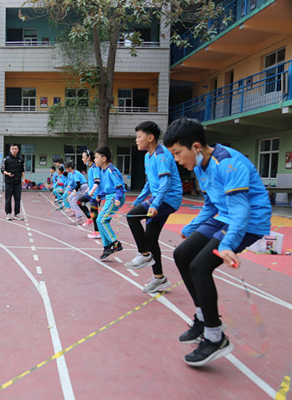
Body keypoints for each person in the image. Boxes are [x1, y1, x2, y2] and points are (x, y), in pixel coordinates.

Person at [164, 118, 271, 367]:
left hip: (247, 221)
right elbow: (212, 203)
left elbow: (241, 211)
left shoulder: (228, 164)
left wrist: (227, 245)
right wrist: (192, 227)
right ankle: (203, 317)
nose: (178, 160)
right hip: (224, 216)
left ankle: (215, 336)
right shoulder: (201, 166)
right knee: (182, 255)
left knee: (200, 267)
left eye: (178, 153)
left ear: (197, 147)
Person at [126, 121, 183, 294]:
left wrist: (155, 204)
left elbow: (166, 182)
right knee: (151, 238)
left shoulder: (162, 154)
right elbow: (150, 183)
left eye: (139, 137)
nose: (136, 140)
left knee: (132, 217)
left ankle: (144, 255)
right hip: (159, 198)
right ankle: (159, 278)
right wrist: (138, 201)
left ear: (150, 138)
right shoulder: (147, 157)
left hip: (168, 199)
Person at [94, 146, 125, 260]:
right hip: (109, 196)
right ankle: (107, 247)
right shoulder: (103, 170)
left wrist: (117, 197)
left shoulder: (112, 170)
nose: (95, 160)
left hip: (114, 197)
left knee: (101, 220)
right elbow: (108, 187)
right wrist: (100, 195)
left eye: (96, 157)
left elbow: (119, 186)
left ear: (104, 159)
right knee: (100, 220)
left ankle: (115, 243)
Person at [79, 149, 101, 239]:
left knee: (94, 212)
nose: (82, 159)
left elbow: (97, 181)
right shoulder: (91, 167)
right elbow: (92, 182)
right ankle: (89, 218)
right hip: (91, 192)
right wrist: (88, 189)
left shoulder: (95, 167)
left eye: (83, 157)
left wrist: (92, 191)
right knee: (79, 202)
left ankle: (97, 232)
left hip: (95, 195)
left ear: (88, 158)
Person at [1, 144, 25, 220]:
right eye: (12, 149)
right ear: (10, 150)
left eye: (15, 149)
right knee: (8, 198)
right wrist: (8, 173)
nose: (14, 150)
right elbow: (2, 170)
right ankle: (8, 213)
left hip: (18, 182)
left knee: (18, 198)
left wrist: (23, 179)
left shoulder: (21, 159)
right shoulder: (6, 159)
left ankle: (17, 214)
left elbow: (22, 170)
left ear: (18, 150)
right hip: (9, 182)